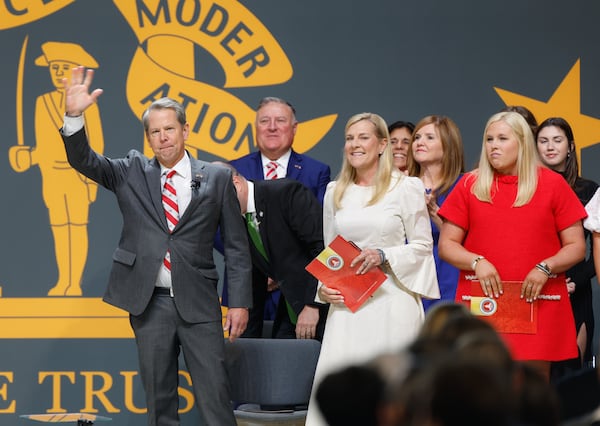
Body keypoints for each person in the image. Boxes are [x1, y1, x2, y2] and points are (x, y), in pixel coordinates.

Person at [60, 67, 252, 425]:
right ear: (147, 138)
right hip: (150, 305)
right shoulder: (130, 171)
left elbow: (238, 249)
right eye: (155, 132)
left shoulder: (217, 177)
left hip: (199, 303)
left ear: (185, 131)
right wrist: (74, 117)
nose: (163, 138)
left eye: (169, 129)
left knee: (215, 400)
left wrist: (239, 302)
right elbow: (84, 160)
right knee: (159, 403)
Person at [305, 112, 439, 425]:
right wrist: (324, 290)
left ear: (381, 145)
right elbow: (330, 253)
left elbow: (422, 246)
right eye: (349, 139)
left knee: (393, 391)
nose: (354, 145)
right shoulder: (335, 191)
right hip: (348, 310)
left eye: (363, 137)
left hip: (392, 304)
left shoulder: (406, 187)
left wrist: (383, 254)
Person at [438, 111, 587, 381]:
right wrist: (476, 262)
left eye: (502, 138)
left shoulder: (553, 184)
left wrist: (546, 267)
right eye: (489, 139)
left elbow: (576, 246)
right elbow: (447, 245)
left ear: (522, 142)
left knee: (531, 388)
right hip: (485, 299)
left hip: (537, 299)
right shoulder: (470, 184)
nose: (493, 145)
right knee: (482, 384)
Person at [9, 41, 104, 296]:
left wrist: (92, 181)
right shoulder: (42, 103)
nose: (58, 72)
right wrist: (27, 157)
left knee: (77, 226)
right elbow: (44, 147)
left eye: (64, 67)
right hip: (51, 178)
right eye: (54, 67)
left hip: (77, 177)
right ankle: (64, 280)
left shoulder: (86, 103)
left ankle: (75, 283)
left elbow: (97, 144)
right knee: (60, 230)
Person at [227, 96, 331, 325]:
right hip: (251, 288)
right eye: (264, 121)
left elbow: (321, 230)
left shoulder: (316, 171)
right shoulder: (233, 169)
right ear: (255, 128)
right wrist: (255, 261)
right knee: (249, 353)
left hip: (302, 285)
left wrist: (282, 266)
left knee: (297, 355)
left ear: (294, 128)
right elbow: (222, 228)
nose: (272, 127)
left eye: (280, 120)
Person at [215, 162, 328, 340]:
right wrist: (244, 340)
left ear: (236, 184)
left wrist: (313, 305)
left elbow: (323, 249)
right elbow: (254, 279)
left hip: (325, 304)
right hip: (291, 307)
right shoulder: (237, 221)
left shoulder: (286, 193)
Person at [536, 117, 598, 370]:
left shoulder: (589, 189)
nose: (550, 147)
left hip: (575, 288)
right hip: (535, 286)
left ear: (570, 147)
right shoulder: (528, 187)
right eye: (543, 141)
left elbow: (596, 252)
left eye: (557, 140)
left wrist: (575, 282)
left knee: (572, 373)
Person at [407, 115, 465, 311]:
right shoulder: (399, 186)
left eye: (429, 137)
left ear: (448, 145)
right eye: (417, 137)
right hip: (408, 282)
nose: (419, 142)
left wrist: (436, 215)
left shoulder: (465, 186)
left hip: (450, 279)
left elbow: (474, 243)